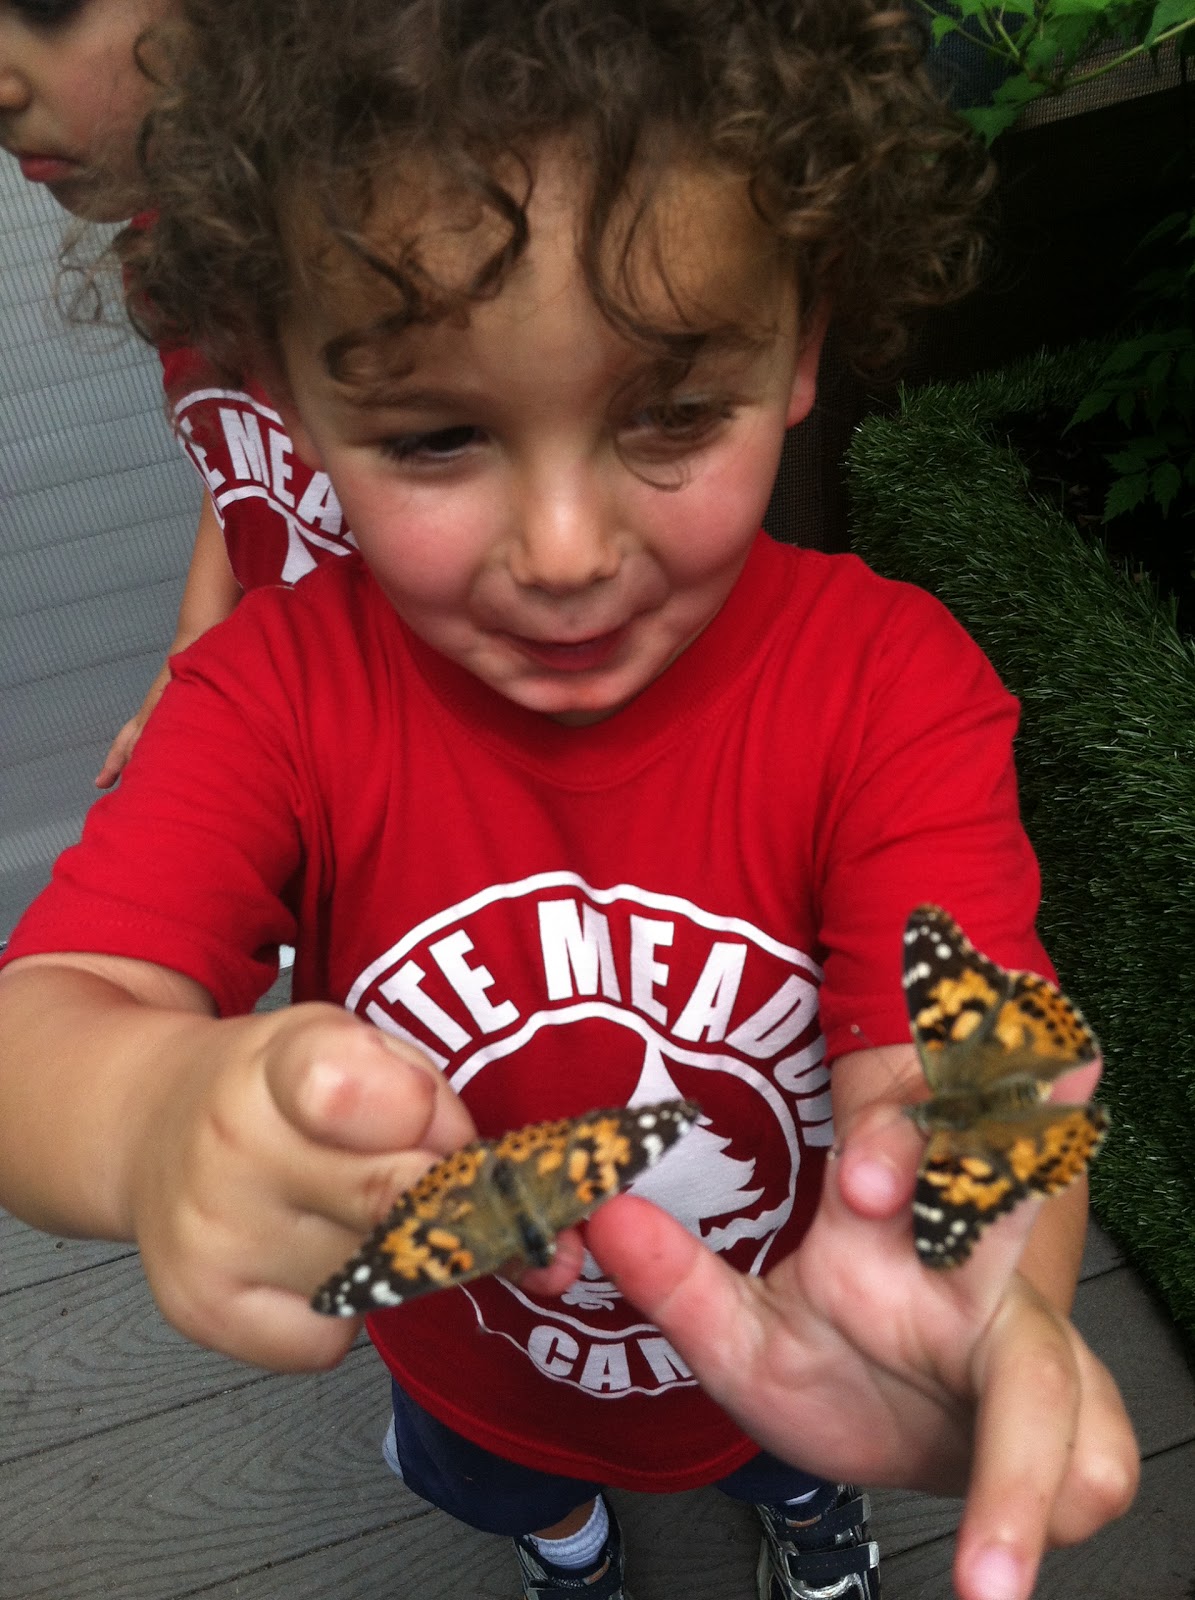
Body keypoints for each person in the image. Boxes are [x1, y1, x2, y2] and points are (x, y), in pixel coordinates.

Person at [0, 3, 1138, 1599]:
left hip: (803, 1333)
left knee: (799, 1445)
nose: (560, 550)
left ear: (799, 344)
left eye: (669, 413)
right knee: (511, 1489)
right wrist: (148, 1117)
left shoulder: (891, 686)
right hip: (467, 1357)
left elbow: (987, 1034)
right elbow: (42, 1021)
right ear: (288, 396)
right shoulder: (270, 697)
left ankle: (811, 1524)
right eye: (438, 433)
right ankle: (566, 1547)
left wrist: (984, 1253)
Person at [0, 0, 357, 790]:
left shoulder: (373, 253)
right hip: (299, 713)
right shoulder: (172, 243)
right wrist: (194, 651)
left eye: (47, 9)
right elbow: (241, 463)